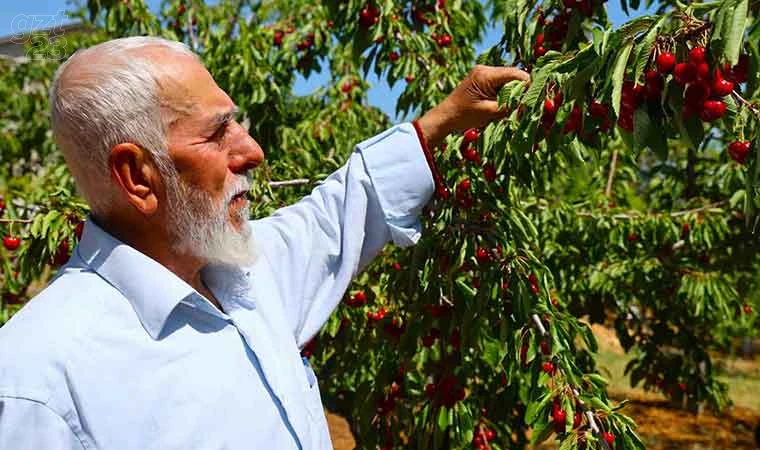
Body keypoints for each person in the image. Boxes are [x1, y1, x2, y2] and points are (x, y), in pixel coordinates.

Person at [0, 36, 529, 449]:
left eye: (239, 125)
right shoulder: (39, 380)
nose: (252, 151)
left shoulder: (245, 274)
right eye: (217, 133)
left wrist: (443, 119)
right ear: (138, 175)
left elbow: (337, 213)